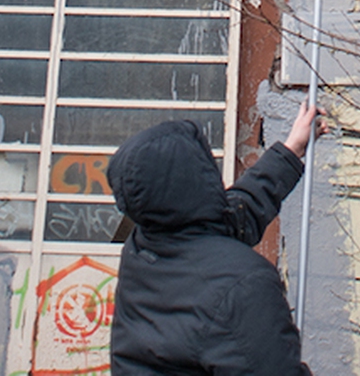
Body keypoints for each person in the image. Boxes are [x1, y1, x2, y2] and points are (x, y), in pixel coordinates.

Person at [106, 103, 323, 376]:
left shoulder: (143, 247)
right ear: (197, 178)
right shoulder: (242, 283)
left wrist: (291, 150)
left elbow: (235, 211)